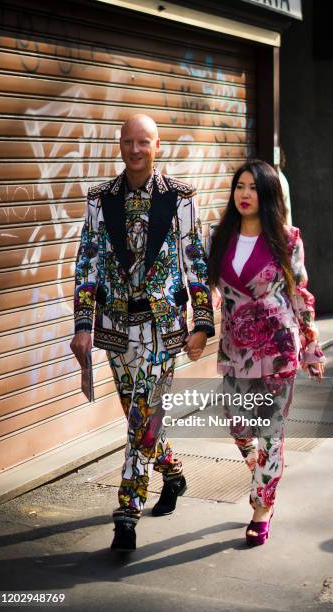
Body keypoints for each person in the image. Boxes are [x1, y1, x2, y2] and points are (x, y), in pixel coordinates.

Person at [70, 114, 214, 552]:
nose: (135, 149)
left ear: (158, 146)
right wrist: (81, 324)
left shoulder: (182, 197)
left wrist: (203, 323)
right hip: (114, 329)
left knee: (141, 420)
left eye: (144, 142)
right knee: (144, 421)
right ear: (119, 145)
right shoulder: (99, 199)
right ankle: (173, 473)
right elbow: (87, 262)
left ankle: (127, 512)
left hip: (163, 328)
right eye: (128, 142)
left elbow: (195, 260)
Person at [207, 159, 325, 547]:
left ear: (269, 194)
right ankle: (262, 471)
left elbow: (301, 294)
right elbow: (204, 289)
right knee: (239, 426)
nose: (245, 194)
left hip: (278, 349)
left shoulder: (287, 239)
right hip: (235, 347)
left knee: (271, 435)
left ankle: (262, 508)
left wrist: (312, 345)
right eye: (240, 186)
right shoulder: (217, 238)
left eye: (254, 187)